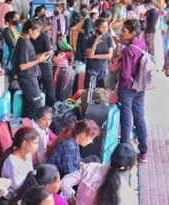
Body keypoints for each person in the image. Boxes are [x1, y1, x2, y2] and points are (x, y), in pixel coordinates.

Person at [61, 143, 138, 205]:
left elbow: (64, 182)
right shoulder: (127, 194)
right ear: (129, 167)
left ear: (111, 156)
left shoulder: (91, 168)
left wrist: (71, 198)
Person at [118, 19, 148, 162]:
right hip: (140, 87)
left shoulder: (128, 50)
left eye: (124, 31)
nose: (121, 33)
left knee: (126, 119)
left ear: (133, 33)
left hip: (127, 88)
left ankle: (124, 153)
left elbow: (125, 74)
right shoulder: (141, 44)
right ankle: (143, 151)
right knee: (139, 117)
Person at [14, 19, 52, 119]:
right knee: (37, 106)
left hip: (29, 78)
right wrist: (39, 60)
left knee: (28, 106)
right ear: (30, 30)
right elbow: (22, 66)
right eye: (37, 31)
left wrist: (40, 56)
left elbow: (28, 58)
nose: (39, 34)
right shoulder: (24, 43)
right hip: (27, 79)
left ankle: (26, 128)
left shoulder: (25, 41)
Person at [1, 127, 39, 191]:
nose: (37, 145)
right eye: (35, 143)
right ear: (25, 143)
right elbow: (17, 187)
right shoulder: (13, 162)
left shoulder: (28, 154)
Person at [31, 17, 56, 106]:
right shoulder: (44, 36)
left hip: (32, 66)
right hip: (44, 66)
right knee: (50, 90)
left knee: (35, 92)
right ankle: (52, 109)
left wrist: (33, 57)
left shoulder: (29, 36)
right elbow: (48, 53)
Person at [85, 17, 114, 88]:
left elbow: (110, 55)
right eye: (102, 27)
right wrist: (95, 43)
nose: (105, 29)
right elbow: (89, 55)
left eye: (106, 27)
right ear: (97, 27)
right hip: (92, 70)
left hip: (104, 69)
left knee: (102, 93)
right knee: (91, 92)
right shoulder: (90, 39)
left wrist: (94, 56)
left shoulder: (108, 38)